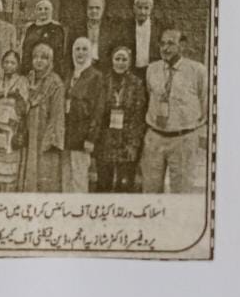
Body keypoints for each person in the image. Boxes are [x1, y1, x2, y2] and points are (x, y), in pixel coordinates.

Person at [140, 29, 207, 193]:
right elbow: (149, 97)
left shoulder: (197, 70)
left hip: (183, 139)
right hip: (155, 138)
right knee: (150, 190)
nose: (165, 48)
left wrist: (197, 132)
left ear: (182, 46)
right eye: (162, 44)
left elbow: (205, 102)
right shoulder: (152, 69)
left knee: (182, 192)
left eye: (171, 43)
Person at [94, 45, 147, 193]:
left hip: (127, 140)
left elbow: (139, 116)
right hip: (106, 140)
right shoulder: (103, 81)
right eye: (117, 59)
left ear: (129, 62)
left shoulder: (136, 83)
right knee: (103, 183)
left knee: (124, 185)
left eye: (124, 59)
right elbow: (97, 112)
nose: (120, 62)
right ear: (112, 60)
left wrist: (133, 144)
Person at [18, 42, 65, 192]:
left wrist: (49, 139)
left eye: (44, 58)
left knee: (45, 175)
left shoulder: (55, 82)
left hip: (45, 136)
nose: (39, 61)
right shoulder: (28, 79)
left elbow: (57, 115)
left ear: (50, 60)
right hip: (29, 134)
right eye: (35, 57)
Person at [62, 36, 105, 192]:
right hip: (66, 133)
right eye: (77, 49)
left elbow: (98, 110)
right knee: (66, 176)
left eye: (84, 49)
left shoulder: (96, 76)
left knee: (79, 178)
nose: (80, 53)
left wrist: (90, 138)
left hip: (81, 134)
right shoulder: (70, 74)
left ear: (90, 52)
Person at [0, 49, 29, 192]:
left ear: (18, 65)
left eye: (12, 63)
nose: (9, 65)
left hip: (10, 130)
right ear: (2, 64)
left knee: (7, 172)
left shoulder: (22, 81)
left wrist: (14, 97)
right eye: (6, 62)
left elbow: (24, 108)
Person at [20, 0, 66, 77]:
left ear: (51, 11)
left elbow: (57, 53)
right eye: (40, 9)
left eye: (46, 9)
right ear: (36, 12)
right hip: (30, 71)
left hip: (49, 71)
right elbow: (25, 50)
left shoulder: (56, 28)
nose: (43, 11)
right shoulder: (31, 28)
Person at [121, 0, 163, 79]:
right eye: (139, 8)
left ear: (151, 9)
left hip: (153, 70)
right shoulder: (126, 26)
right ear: (134, 8)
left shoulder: (158, 27)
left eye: (146, 8)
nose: (142, 12)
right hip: (132, 70)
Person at [70, 0, 116, 67]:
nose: (94, 11)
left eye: (97, 8)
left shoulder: (111, 29)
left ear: (103, 9)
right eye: (90, 8)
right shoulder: (77, 29)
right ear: (86, 9)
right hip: (83, 67)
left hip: (104, 68)